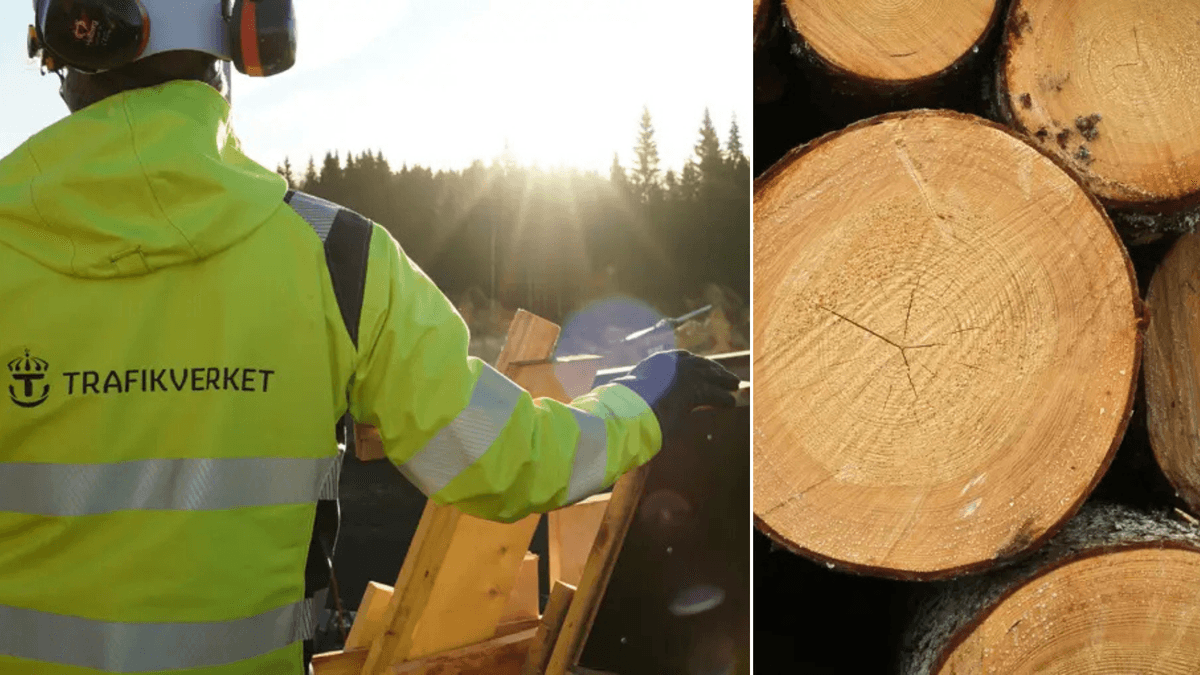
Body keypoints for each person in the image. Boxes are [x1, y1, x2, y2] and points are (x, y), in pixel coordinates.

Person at [0, 1, 741, 673]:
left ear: (60, 42)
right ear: (246, 35)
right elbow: (504, 458)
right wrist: (642, 405)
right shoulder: (337, 257)